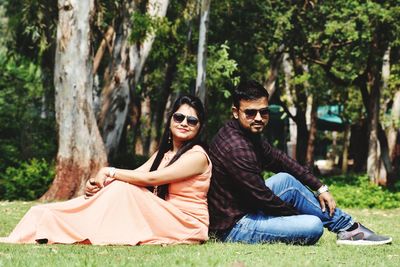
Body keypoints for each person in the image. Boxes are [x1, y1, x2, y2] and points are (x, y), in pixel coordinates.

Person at [0, 94, 211, 245]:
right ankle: (49, 217)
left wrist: (109, 172)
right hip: (163, 215)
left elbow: (151, 179)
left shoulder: (197, 157)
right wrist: (101, 183)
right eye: (179, 117)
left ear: (200, 126)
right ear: (171, 119)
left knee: (124, 189)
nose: (184, 123)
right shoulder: (164, 153)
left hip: (186, 223)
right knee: (119, 186)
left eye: (192, 120)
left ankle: (67, 224)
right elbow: (138, 174)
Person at [207, 80, 392, 246]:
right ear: (235, 112)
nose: (258, 118)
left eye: (263, 111)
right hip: (234, 225)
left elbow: (281, 160)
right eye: (250, 112)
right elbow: (263, 199)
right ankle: (344, 228)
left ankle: (349, 228)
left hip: (246, 205)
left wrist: (320, 187)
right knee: (312, 225)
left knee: (286, 180)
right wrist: (298, 215)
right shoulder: (236, 148)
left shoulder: (247, 134)